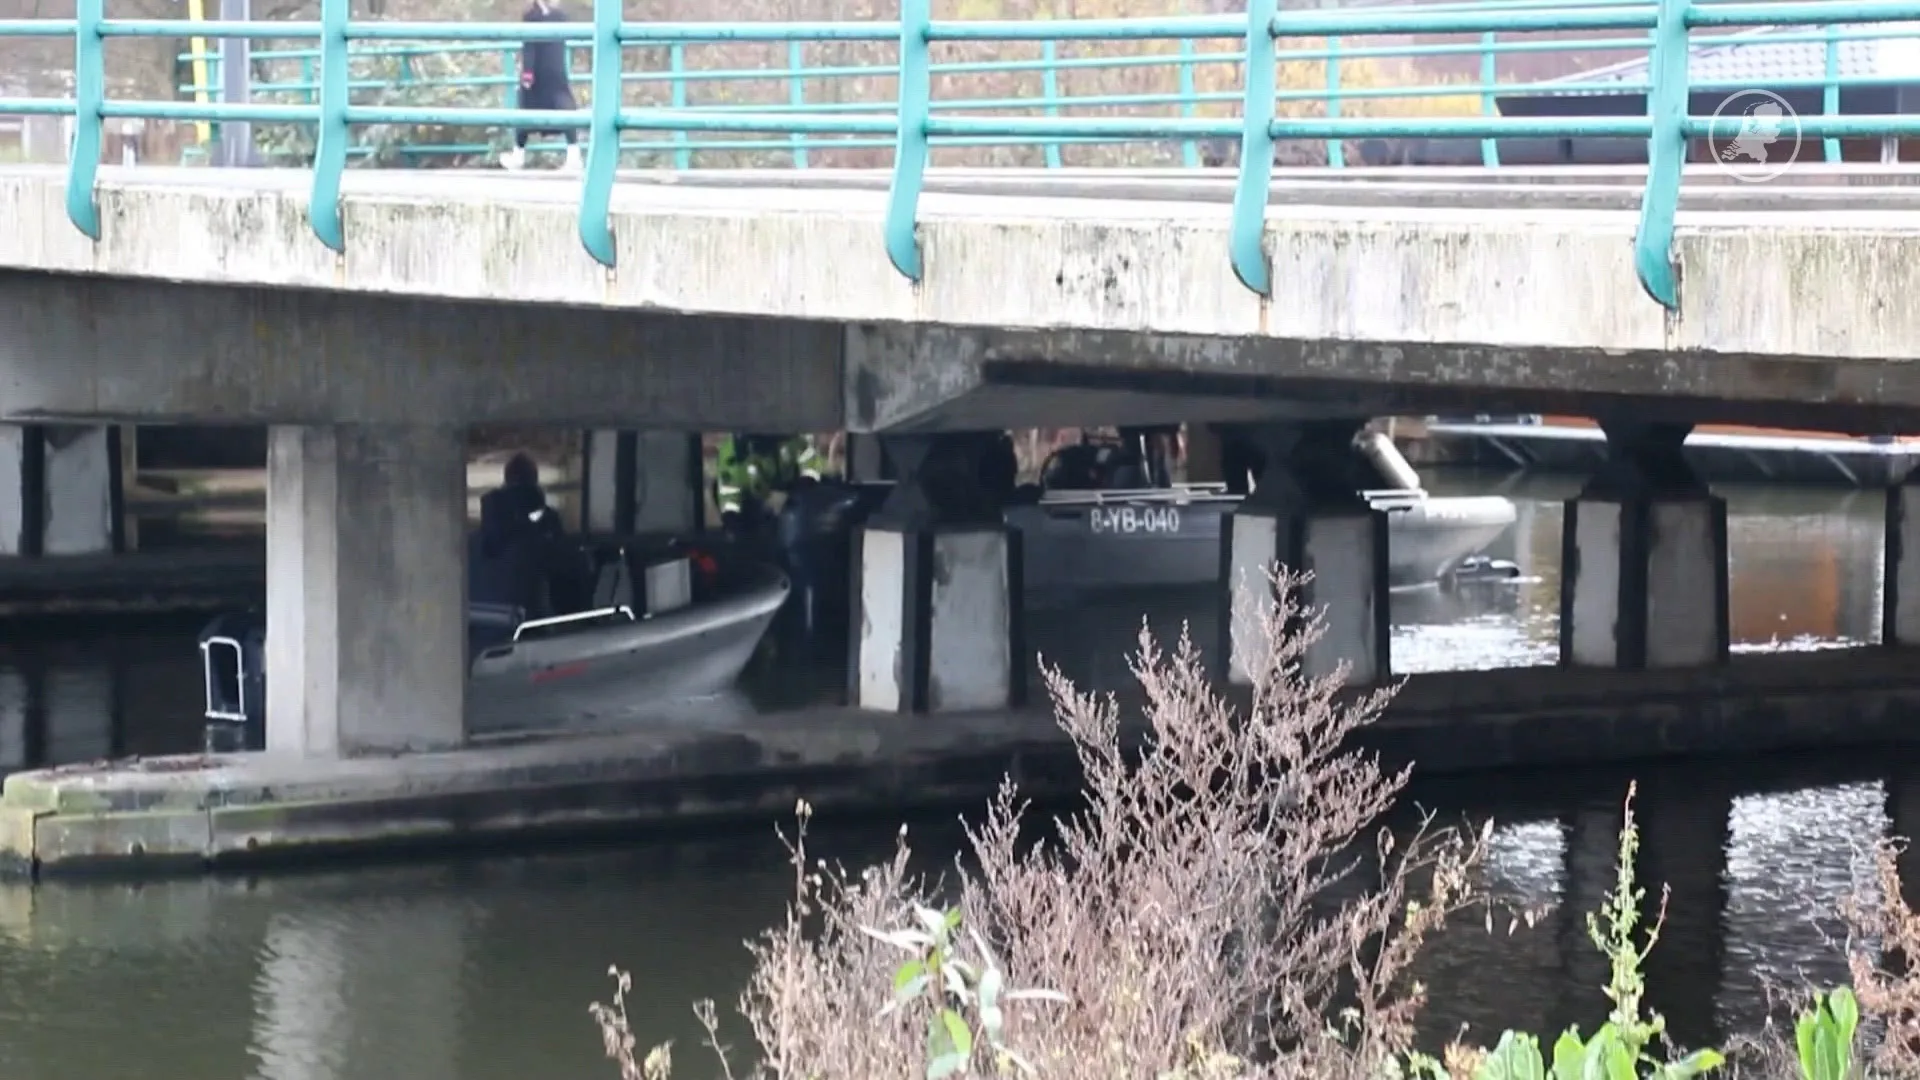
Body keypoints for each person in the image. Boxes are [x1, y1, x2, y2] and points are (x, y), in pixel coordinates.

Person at [470, 452, 572, 617]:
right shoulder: (536, 541)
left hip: (480, 624)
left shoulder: (472, 544)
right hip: (527, 624)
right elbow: (566, 573)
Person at [500, 0, 582, 172]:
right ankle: (572, 155)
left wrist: (527, 73)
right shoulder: (556, 16)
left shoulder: (535, 16)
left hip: (543, 73)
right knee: (559, 109)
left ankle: (519, 156)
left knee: (529, 111)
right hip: (551, 71)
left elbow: (529, 46)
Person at [714, 433, 822, 534]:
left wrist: (805, 482)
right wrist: (731, 516)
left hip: (792, 492)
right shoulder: (731, 452)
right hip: (752, 501)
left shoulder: (790, 439)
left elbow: (810, 459)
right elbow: (729, 490)